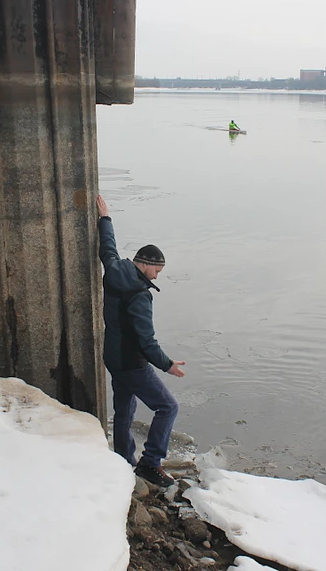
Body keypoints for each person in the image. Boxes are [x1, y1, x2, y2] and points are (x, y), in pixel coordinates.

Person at [96, 195, 186, 488]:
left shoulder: (113, 270)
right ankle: (150, 464)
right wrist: (167, 365)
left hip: (113, 357)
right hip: (133, 362)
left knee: (124, 410)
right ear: (146, 265)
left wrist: (105, 218)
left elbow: (107, 248)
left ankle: (123, 462)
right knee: (167, 407)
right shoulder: (139, 295)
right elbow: (146, 341)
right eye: (157, 270)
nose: (157, 275)